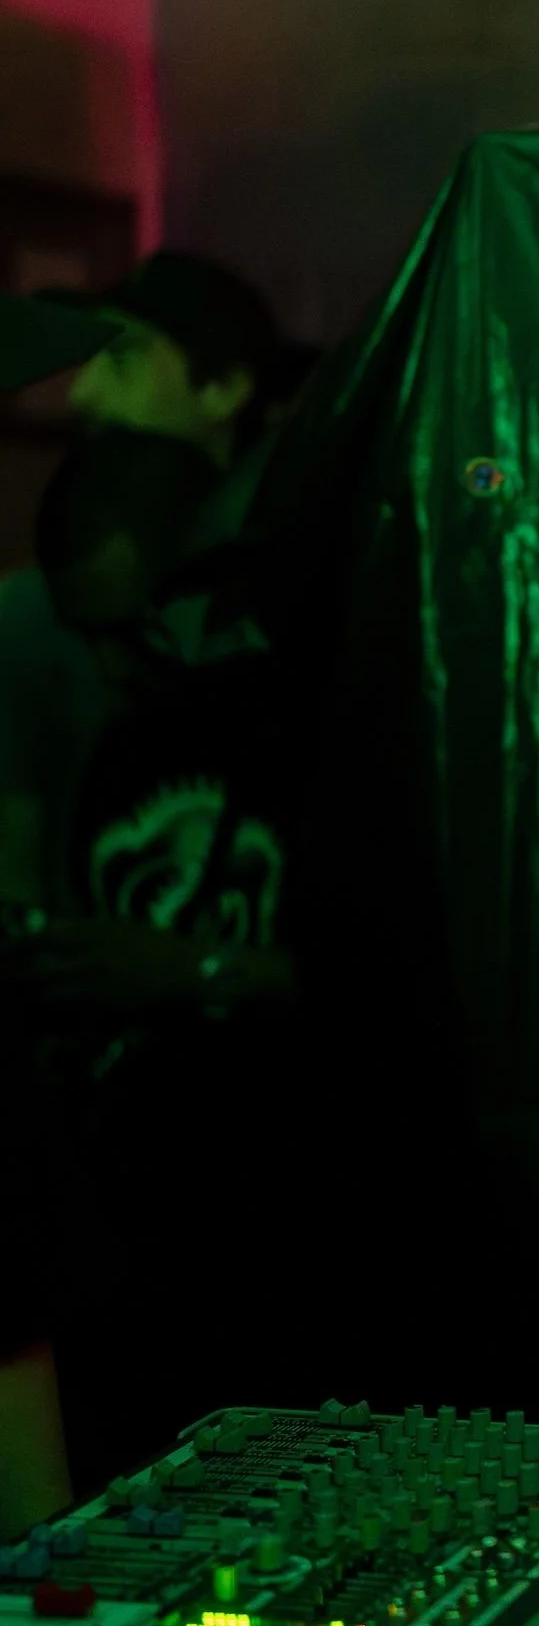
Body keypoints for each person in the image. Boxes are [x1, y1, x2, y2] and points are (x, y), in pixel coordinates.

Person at [2, 429, 306, 1491]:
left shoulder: (322, 731)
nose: (109, 667)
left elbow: (412, 996)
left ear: (202, 577)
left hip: (297, 1254)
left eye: (128, 629)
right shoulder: (123, 748)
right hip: (142, 1275)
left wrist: (197, 973)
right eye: (84, 637)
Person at [0, 250, 292, 910]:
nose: (82, 393)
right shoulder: (31, 613)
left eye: (122, 358)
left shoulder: (300, 608)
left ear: (223, 388)